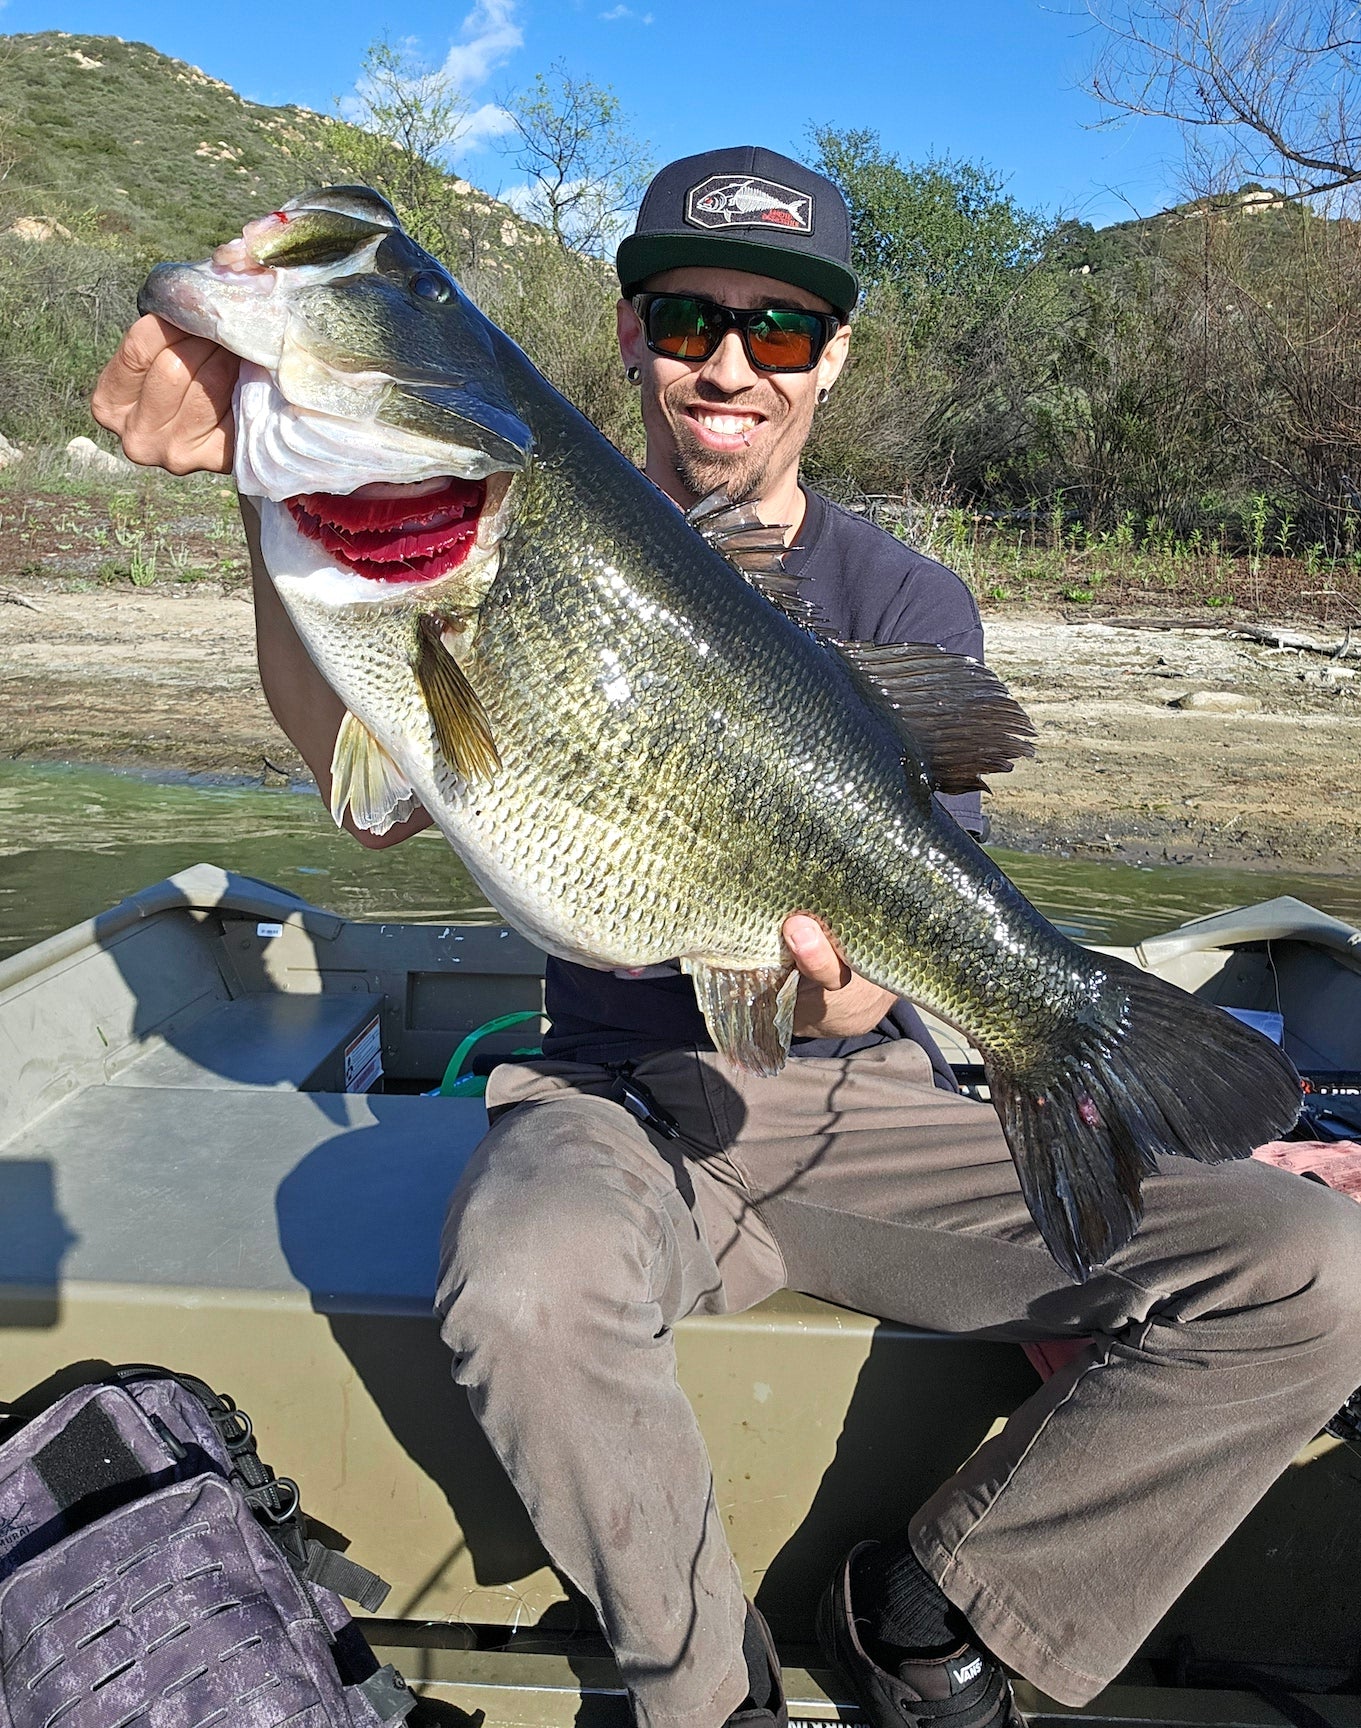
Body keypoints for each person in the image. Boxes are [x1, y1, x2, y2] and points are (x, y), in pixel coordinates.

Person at [94, 145, 1361, 1728]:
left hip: (869, 1104)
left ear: (831, 357)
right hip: (618, 1104)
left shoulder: (903, 596)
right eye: (690, 317)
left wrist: (836, 1006)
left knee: (1313, 1266)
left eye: (778, 331)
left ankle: (930, 1610)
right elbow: (371, 797)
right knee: (525, 1283)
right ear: (629, 337)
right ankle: (715, 1702)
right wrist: (259, 488)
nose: (727, 364)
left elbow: (886, 960)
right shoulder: (471, 514)